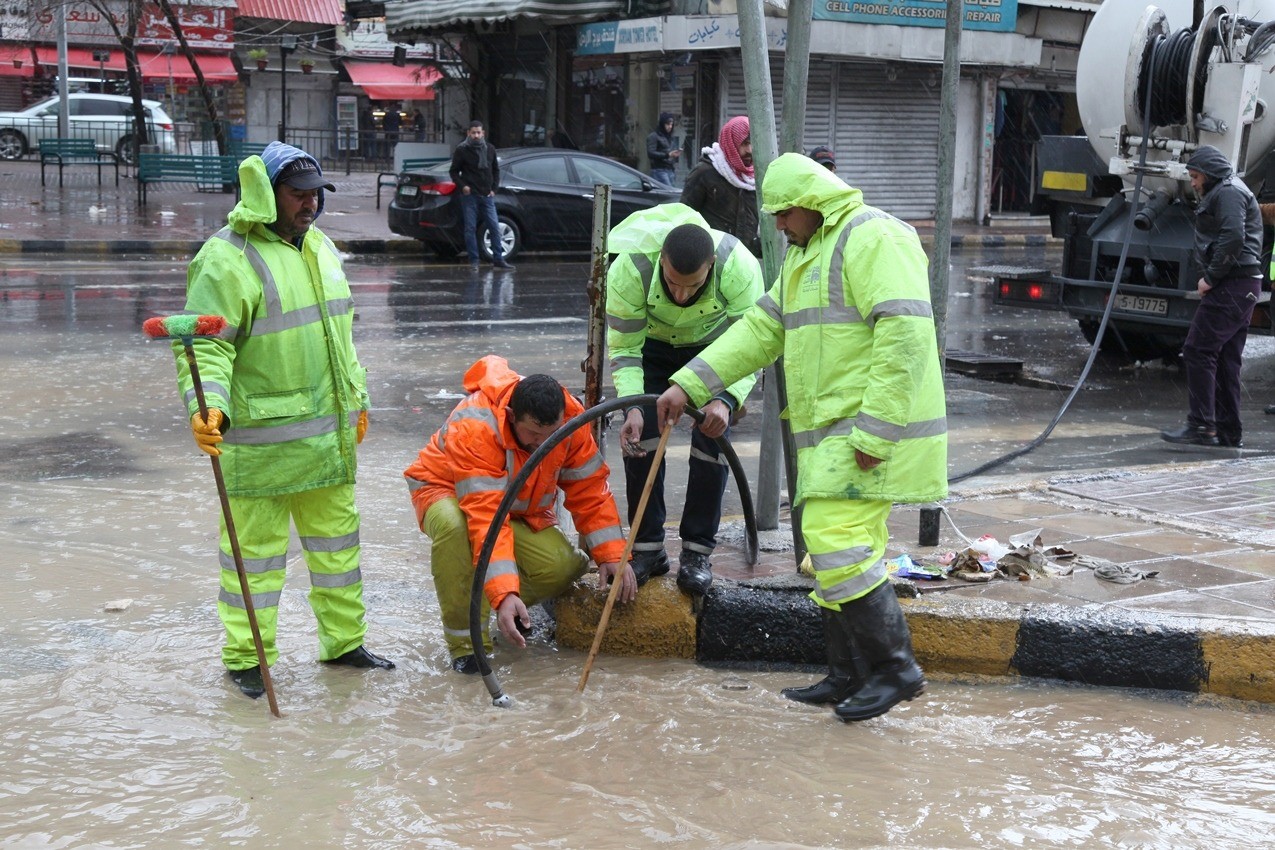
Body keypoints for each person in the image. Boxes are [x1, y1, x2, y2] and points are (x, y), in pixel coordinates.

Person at [656, 153, 947, 722]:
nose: (779, 225)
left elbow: (906, 338)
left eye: (785, 214)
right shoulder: (804, 254)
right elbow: (761, 330)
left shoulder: (874, 237)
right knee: (835, 549)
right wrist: (689, 384)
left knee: (836, 542)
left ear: (812, 202)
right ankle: (848, 675)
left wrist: (876, 432)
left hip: (868, 432)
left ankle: (896, 669)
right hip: (836, 435)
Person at [175, 141, 395, 700]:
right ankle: (248, 660)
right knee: (254, 562)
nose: (310, 204)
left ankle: (345, 645)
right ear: (266, 195)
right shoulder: (226, 258)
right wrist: (208, 406)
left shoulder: (320, 247)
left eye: (316, 194)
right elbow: (206, 347)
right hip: (261, 447)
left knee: (338, 553)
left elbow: (341, 337)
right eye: (298, 195)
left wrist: (358, 399)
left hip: (328, 442)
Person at [403, 356, 635, 674]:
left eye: (550, 435)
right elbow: (487, 517)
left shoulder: (571, 421)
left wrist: (612, 555)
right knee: (457, 528)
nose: (542, 444)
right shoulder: (477, 427)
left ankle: (492, 607)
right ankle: (468, 647)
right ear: (512, 416)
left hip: (516, 506)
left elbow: (590, 490)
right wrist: (504, 593)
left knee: (562, 567)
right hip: (446, 491)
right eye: (534, 435)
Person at [607, 203, 764, 594]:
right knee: (641, 438)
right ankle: (647, 550)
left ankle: (697, 553)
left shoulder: (738, 266)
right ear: (661, 259)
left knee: (712, 438)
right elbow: (625, 348)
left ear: (711, 266)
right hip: (651, 350)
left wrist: (726, 399)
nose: (680, 295)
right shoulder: (631, 269)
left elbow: (753, 344)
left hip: (714, 351)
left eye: (692, 287)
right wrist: (632, 406)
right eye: (673, 282)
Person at [1160, 145, 1263, 448]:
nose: (1193, 183)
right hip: (1242, 284)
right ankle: (1228, 432)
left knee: (1198, 350)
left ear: (1209, 173)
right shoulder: (1228, 189)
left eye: (1195, 176)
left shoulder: (1228, 192)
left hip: (1232, 283)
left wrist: (1211, 277)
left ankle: (1202, 425)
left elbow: (1233, 237)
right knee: (1227, 360)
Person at [680, 115, 760, 255]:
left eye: (753, 143)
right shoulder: (705, 173)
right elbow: (684, 217)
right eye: (744, 143)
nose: (749, 150)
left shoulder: (755, 178)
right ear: (731, 143)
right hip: (710, 258)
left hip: (743, 259)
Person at [450, 120, 512, 271]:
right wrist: (463, 186)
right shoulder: (462, 150)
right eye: (473, 133)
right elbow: (453, 171)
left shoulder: (490, 149)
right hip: (470, 195)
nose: (476, 136)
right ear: (468, 133)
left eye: (478, 132)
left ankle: (498, 259)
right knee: (470, 228)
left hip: (487, 195)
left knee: (494, 227)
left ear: (483, 133)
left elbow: (495, 170)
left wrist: (494, 189)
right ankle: (474, 261)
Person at [646, 112, 681, 186]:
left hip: (670, 169)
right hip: (659, 169)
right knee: (668, 191)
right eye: (668, 124)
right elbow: (651, 153)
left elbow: (669, 151)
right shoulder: (654, 136)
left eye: (671, 124)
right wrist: (667, 155)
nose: (670, 127)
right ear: (662, 124)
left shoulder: (670, 137)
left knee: (672, 190)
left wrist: (674, 154)